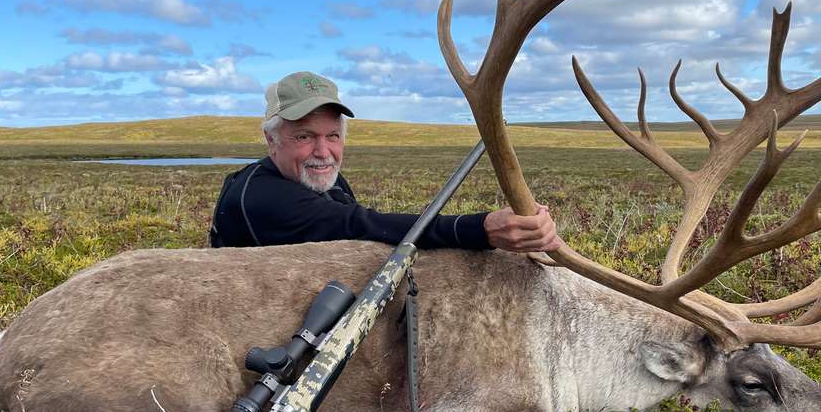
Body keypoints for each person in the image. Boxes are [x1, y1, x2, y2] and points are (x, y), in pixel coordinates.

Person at [210, 71, 560, 253]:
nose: (322, 151)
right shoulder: (258, 195)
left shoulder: (323, 181)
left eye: (332, 136)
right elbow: (357, 225)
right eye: (304, 136)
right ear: (272, 140)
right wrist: (483, 229)